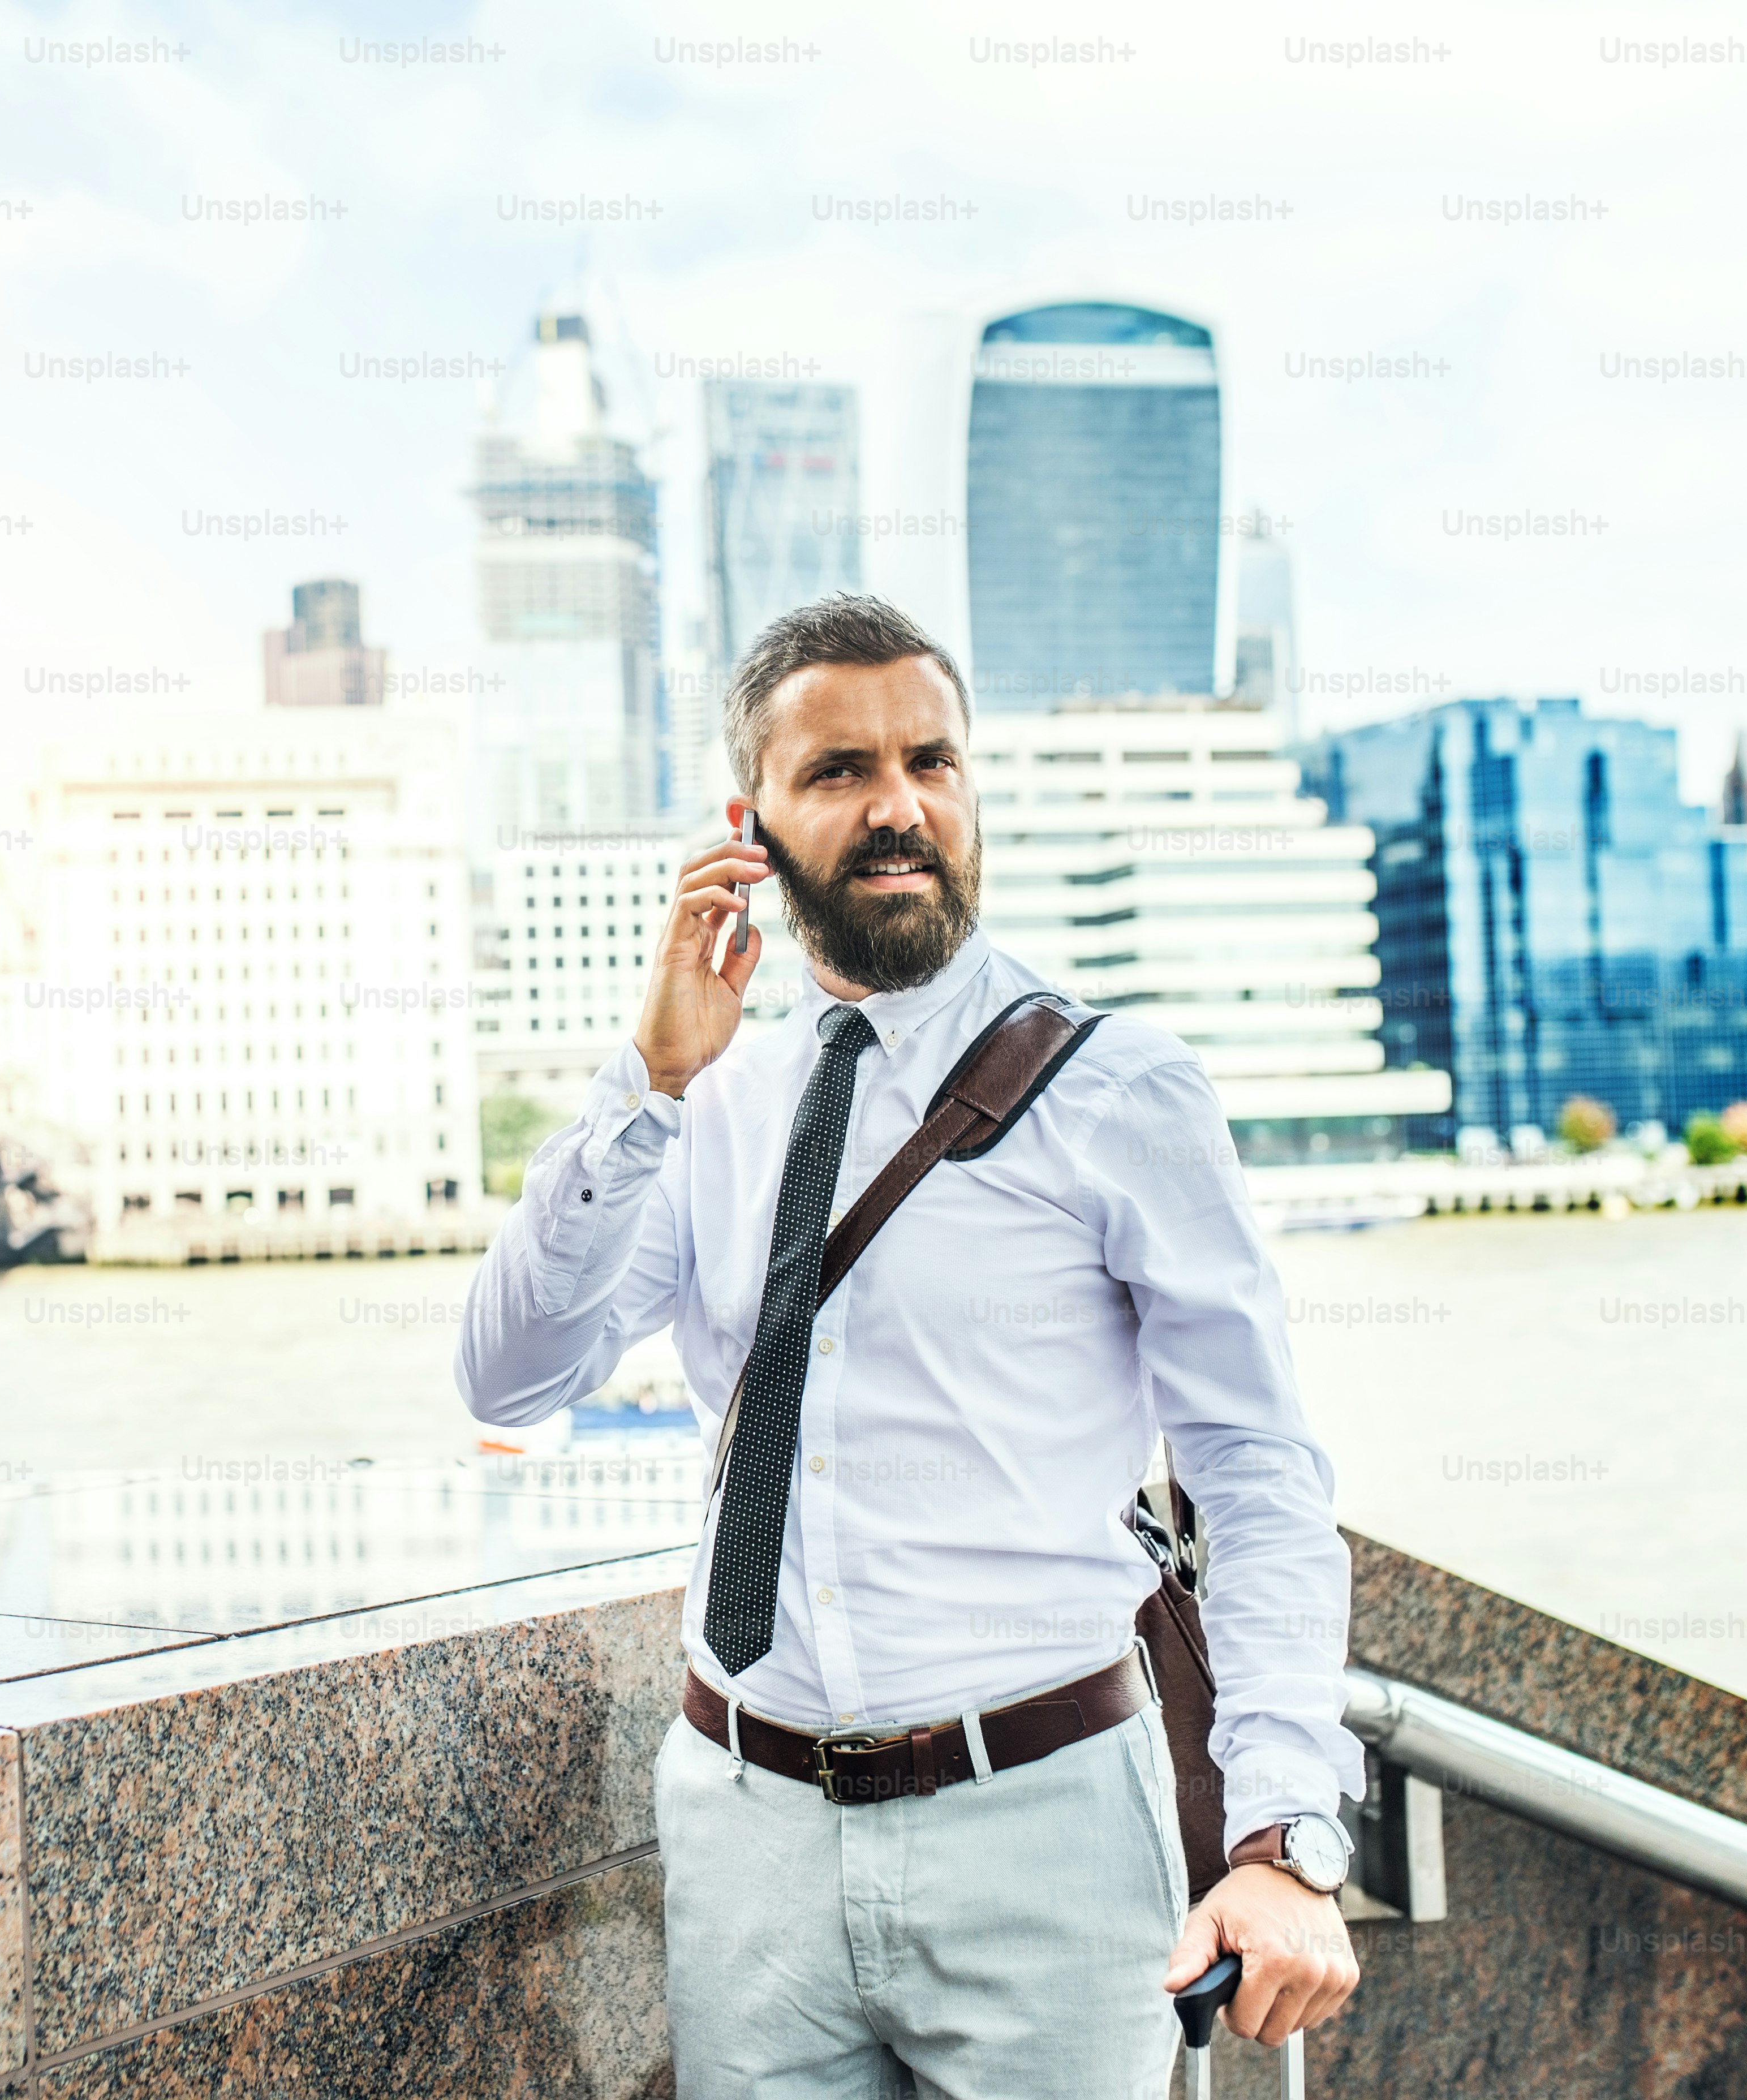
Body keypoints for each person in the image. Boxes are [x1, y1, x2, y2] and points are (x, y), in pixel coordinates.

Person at [457, 595, 1363, 2096]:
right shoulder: (701, 1102)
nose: (900, 807)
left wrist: (1280, 1838)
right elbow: (510, 1381)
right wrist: (647, 1080)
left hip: (1048, 1828)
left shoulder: (1118, 1090)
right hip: (745, 1820)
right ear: (746, 826)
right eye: (841, 773)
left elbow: (1256, 1474)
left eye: (932, 761)